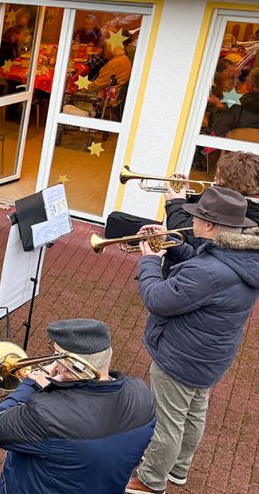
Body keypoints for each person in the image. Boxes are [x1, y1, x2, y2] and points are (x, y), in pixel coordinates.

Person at [126, 187, 259, 494]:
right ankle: (178, 468)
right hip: (210, 356)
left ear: (210, 225)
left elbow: (158, 299)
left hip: (181, 355)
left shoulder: (208, 271)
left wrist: (149, 260)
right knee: (194, 413)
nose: (192, 220)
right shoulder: (242, 254)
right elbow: (203, 268)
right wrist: (171, 246)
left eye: (196, 215)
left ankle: (150, 480)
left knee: (166, 422)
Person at [0, 319, 155, 494]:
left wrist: (33, 384)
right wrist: (65, 389)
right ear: (109, 354)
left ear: (69, 363)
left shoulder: (47, 413)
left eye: (56, 353)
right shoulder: (142, 393)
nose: (53, 358)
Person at [165, 151, 259, 248]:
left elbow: (181, 233)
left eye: (220, 176)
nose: (214, 178)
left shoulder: (229, 207)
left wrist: (175, 202)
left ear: (234, 180)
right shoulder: (249, 205)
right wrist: (188, 196)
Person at [212, 67, 259, 136]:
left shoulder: (234, 99)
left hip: (234, 144)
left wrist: (218, 107)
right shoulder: (234, 98)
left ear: (250, 85)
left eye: (247, 80)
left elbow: (218, 130)